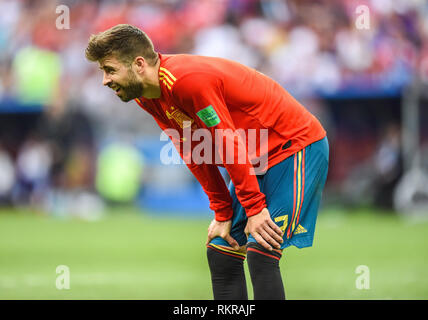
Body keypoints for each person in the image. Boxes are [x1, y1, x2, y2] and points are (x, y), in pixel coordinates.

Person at [85, 24, 329, 300]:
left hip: (295, 146)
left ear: (139, 64)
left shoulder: (187, 81)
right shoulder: (149, 97)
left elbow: (227, 143)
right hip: (255, 158)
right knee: (221, 250)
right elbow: (195, 151)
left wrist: (255, 208)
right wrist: (223, 212)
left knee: (262, 249)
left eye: (109, 69)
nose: (105, 80)